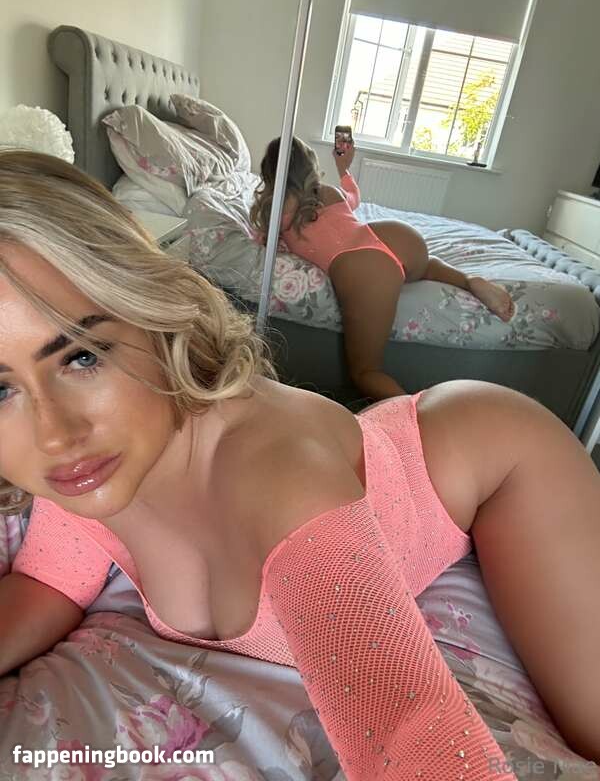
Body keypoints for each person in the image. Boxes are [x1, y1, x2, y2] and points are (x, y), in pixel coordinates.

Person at [0, 151, 598, 780]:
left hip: (495, 457)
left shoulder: (282, 482)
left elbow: (411, 733)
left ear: (152, 308)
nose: (55, 436)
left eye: (83, 356)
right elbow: (49, 583)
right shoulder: (85, 468)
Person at [251, 136, 515, 401]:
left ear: (269, 174)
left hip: (362, 269)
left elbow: (262, 240)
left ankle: (418, 418)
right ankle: (469, 280)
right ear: (310, 166)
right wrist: (344, 169)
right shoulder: (330, 193)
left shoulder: (277, 213)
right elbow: (353, 198)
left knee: (366, 372)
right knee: (426, 267)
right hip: (397, 237)